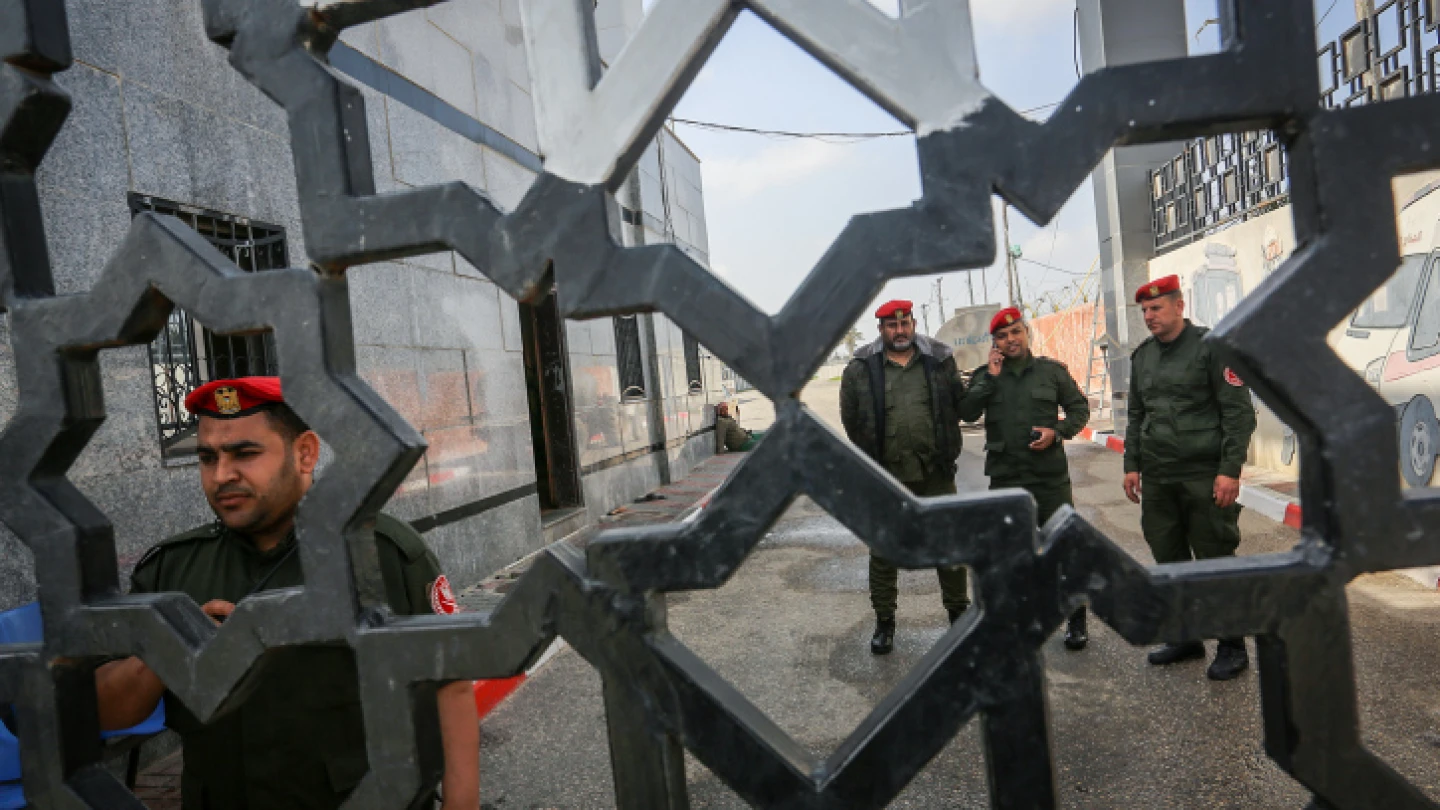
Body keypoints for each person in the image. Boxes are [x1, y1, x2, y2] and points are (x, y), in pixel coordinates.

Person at [93, 377, 479, 809]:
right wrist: (168, 647)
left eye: (245, 453)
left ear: (305, 453)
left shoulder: (379, 552)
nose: (222, 475)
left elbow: (451, 684)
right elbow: (110, 713)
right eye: (207, 457)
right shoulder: (173, 568)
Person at [1123, 276, 1257, 681]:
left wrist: (1229, 470)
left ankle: (1232, 645)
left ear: (1179, 305)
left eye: (1157, 308)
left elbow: (1238, 414)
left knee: (1214, 560)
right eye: (1144, 311)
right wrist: (1132, 464)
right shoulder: (1142, 357)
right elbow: (1136, 416)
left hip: (1203, 475)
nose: (1149, 316)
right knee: (1169, 559)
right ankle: (1185, 637)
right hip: (1160, 478)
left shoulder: (1212, 348)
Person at [958, 307, 1092, 650]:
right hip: (1006, 478)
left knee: (1063, 547)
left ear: (1025, 333)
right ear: (995, 342)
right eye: (1002, 336)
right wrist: (989, 375)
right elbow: (967, 411)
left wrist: (1057, 431)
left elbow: (1080, 410)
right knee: (1010, 555)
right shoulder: (986, 375)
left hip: (1048, 478)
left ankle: (1075, 620)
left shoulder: (1051, 372)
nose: (1010, 339)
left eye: (1015, 332)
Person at [840, 299, 968, 655]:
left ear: (913, 323)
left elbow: (961, 405)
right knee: (883, 552)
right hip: (888, 476)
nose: (900, 331)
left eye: (905, 323)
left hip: (936, 471)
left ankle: (959, 616)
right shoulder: (860, 368)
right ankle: (885, 623)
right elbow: (851, 421)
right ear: (880, 329)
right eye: (892, 325)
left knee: (948, 546)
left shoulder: (939, 359)